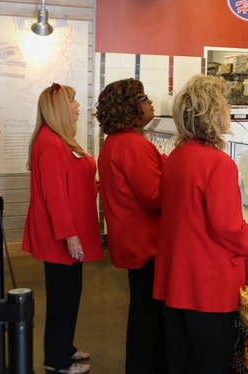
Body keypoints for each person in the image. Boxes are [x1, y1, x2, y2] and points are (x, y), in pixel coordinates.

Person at [153, 74, 248, 373]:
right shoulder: (218, 163)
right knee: (210, 363)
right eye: (225, 103)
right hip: (207, 286)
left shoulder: (177, 156)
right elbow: (227, 228)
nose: (229, 109)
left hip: (175, 280)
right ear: (212, 113)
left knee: (181, 361)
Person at [23, 83, 102, 374]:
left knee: (70, 295)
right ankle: (56, 361)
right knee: (61, 300)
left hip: (71, 235)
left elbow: (73, 183)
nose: (78, 106)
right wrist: (70, 235)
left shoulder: (61, 140)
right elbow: (54, 196)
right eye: (73, 101)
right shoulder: (51, 142)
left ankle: (64, 347)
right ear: (59, 108)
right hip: (62, 237)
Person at [95, 78, 167, 374]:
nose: (150, 103)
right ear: (131, 108)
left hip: (130, 240)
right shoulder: (133, 144)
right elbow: (154, 196)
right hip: (145, 244)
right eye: (145, 98)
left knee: (142, 312)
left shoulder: (115, 141)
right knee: (148, 318)